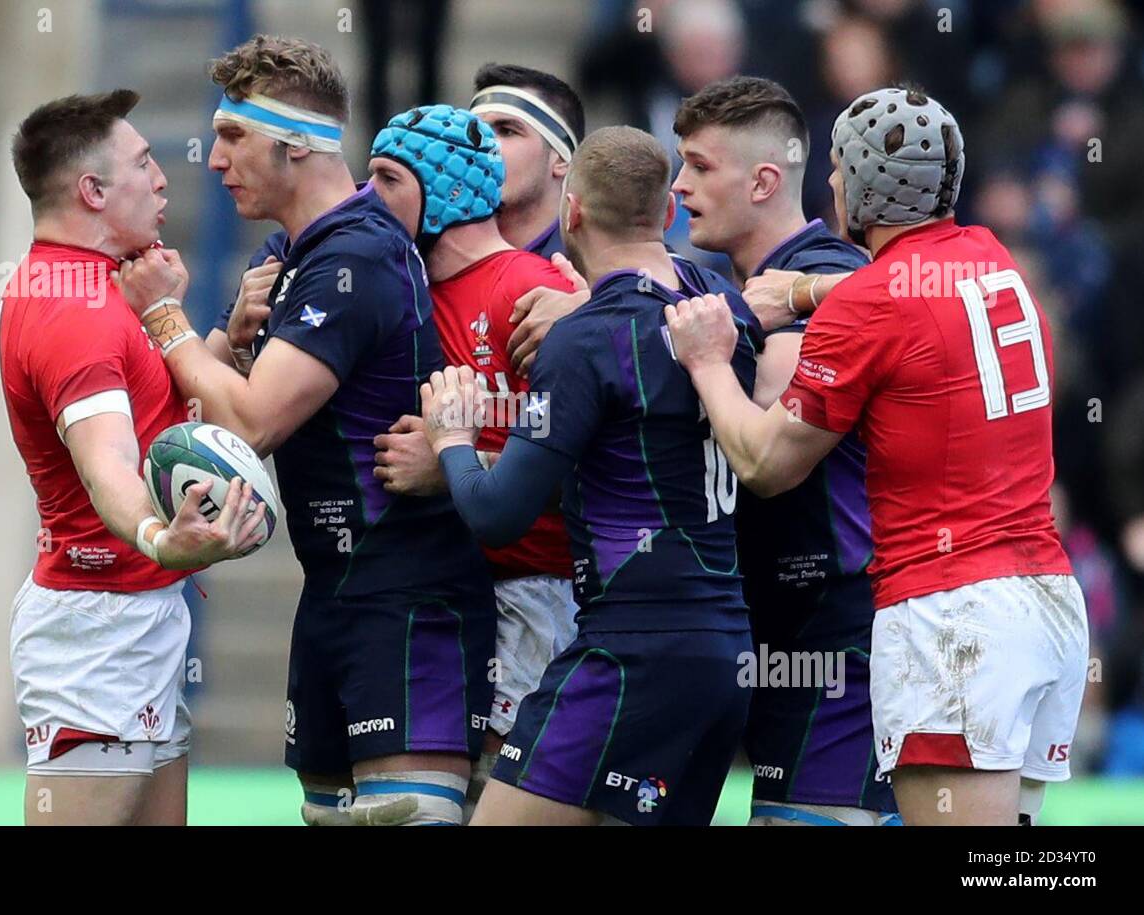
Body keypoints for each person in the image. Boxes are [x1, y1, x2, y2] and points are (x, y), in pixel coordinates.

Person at [664, 85, 1088, 826]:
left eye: (835, 169)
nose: (828, 184)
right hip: (1047, 601)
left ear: (859, 185)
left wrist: (705, 361)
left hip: (952, 613)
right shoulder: (994, 262)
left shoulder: (869, 307)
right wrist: (805, 288)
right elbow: (894, 296)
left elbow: (765, 464)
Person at [114, 35, 496, 827]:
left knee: (406, 819)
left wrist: (162, 316)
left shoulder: (355, 255)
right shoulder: (291, 253)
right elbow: (200, 416)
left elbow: (250, 421)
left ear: (295, 144)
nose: (214, 160)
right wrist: (223, 336)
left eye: (233, 136)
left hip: (406, 595)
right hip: (332, 593)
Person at [422, 126, 762, 826]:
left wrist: (453, 437)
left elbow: (495, 513)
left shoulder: (585, 339)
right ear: (668, 213)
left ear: (569, 212)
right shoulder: (720, 310)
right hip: (726, 651)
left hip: (630, 649)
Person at [0, 89, 265, 826]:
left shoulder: (97, 284)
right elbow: (107, 461)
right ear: (92, 190)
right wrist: (159, 536)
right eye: (143, 163)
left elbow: (153, 422)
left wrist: (224, 340)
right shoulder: (73, 310)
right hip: (98, 629)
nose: (163, 178)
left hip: (137, 614)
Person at [670, 76, 897, 826]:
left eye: (700, 167)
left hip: (842, 622)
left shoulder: (834, 277)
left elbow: (766, 438)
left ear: (765, 179)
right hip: (770, 626)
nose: (679, 185)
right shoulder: (725, 286)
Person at [366, 104, 580, 819]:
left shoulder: (530, 295)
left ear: (445, 190)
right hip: (453, 598)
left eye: (387, 178)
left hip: (538, 594)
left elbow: (592, 466)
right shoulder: (404, 290)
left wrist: (454, 463)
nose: (369, 198)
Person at [470, 63, 585, 258]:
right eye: (474, 132)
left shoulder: (597, 273)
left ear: (561, 160)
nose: (482, 145)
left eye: (507, 131)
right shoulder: (429, 264)